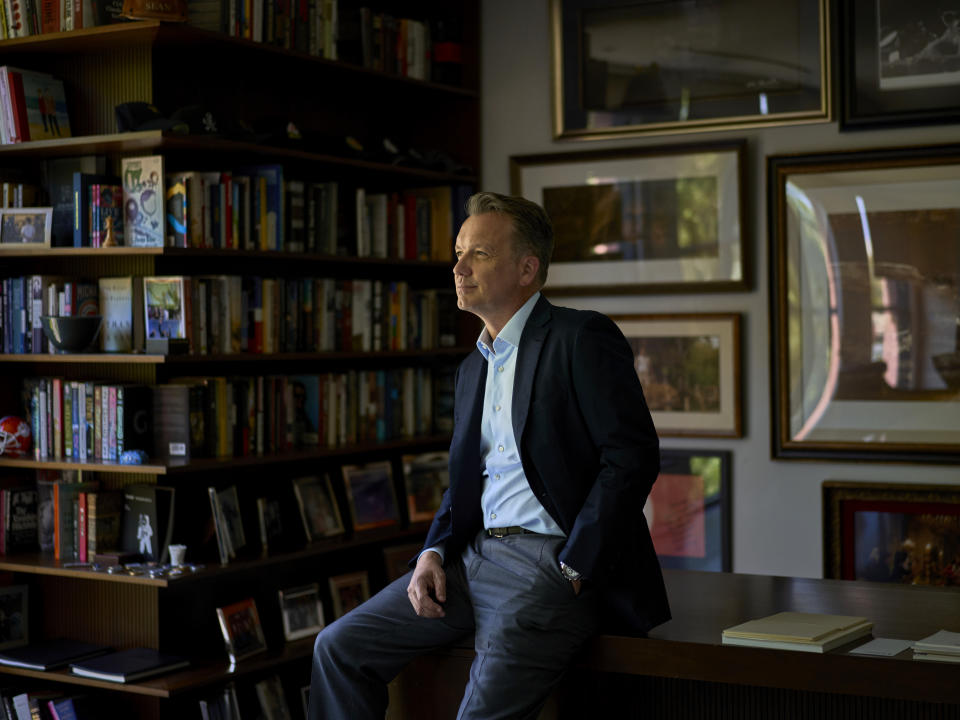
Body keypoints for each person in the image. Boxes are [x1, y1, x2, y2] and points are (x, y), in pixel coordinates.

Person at [309, 192, 669, 720]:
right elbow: (467, 482)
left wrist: (575, 567)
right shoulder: (473, 366)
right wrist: (432, 551)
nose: (458, 267)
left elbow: (631, 457)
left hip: (549, 565)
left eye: (479, 253)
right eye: (458, 252)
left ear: (528, 268)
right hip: (468, 559)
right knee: (337, 648)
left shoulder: (580, 337)